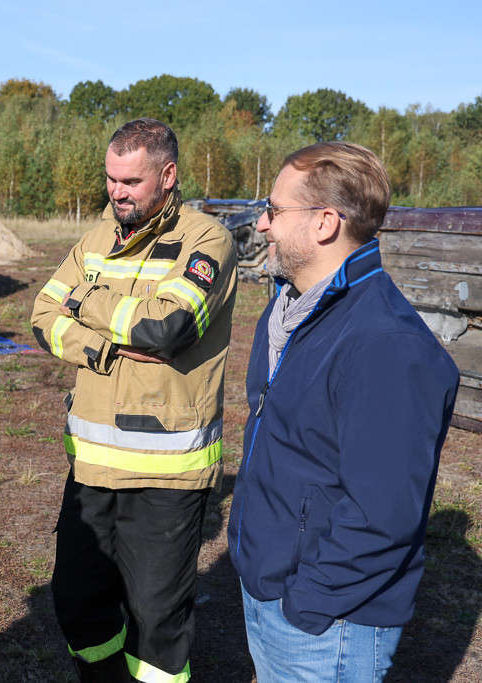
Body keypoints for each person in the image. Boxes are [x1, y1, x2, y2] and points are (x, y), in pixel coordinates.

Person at [227, 142, 460, 682]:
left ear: (325, 222)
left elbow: (383, 514)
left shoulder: (385, 344)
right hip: (269, 588)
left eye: (274, 209)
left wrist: (304, 605)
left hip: (326, 624)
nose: (262, 225)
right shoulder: (287, 310)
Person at [31, 118, 238, 682]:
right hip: (93, 464)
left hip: (167, 473)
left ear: (167, 176)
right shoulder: (97, 235)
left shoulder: (207, 240)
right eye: (110, 179)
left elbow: (167, 327)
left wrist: (87, 298)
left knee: (156, 623)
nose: (116, 192)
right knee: (75, 599)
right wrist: (103, 350)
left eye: (131, 182)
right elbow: (42, 316)